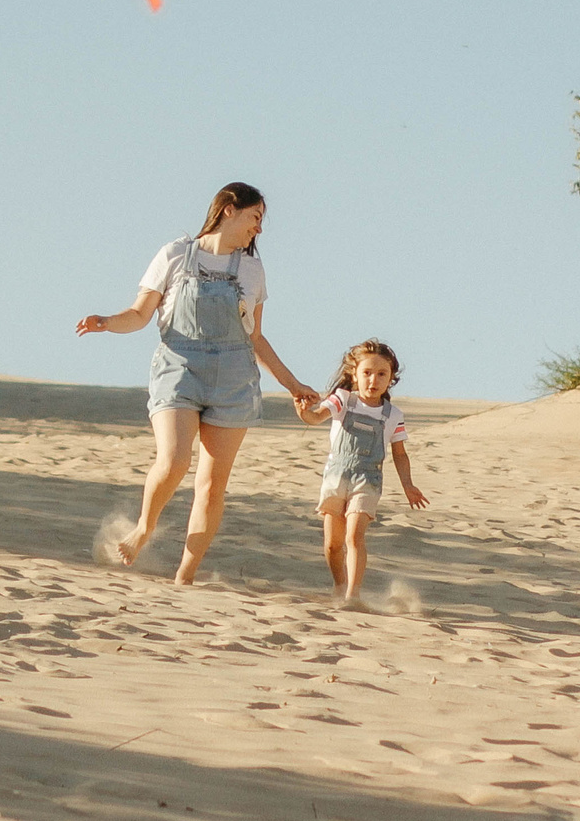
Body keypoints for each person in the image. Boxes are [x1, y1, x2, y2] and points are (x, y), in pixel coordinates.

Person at [76, 183, 317, 583]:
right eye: (255, 217)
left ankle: (184, 577)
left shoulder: (252, 270)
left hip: (234, 378)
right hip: (179, 367)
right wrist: (106, 322)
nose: (259, 228)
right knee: (174, 461)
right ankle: (144, 527)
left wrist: (293, 385)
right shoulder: (174, 254)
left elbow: (255, 337)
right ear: (228, 209)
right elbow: (140, 314)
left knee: (211, 486)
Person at [292, 339, 427, 603]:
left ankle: (353, 595)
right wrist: (304, 413)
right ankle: (340, 585)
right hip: (336, 477)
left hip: (368, 480)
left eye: (382, 374)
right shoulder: (342, 400)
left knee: (354, 536)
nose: (373, 380)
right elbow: (316, 417)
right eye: (367, 373)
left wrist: (408, 485)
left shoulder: (393, 415)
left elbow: (400, 454)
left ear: (391, 379)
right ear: (354, 374)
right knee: (333, 544)